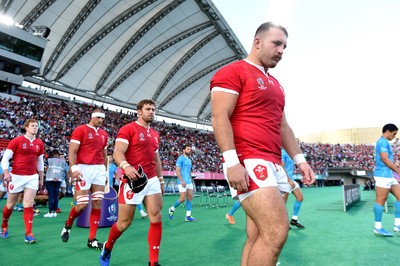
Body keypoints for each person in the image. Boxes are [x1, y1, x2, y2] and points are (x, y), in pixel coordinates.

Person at [210, 22, 315, 265]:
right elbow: (219, 116)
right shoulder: (232, 72)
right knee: (276, 232)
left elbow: (282, 126)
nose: (281, 50)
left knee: (256, 235)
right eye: (276, 43)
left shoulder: (276, 84)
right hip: (249, 159)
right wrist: (232, 162)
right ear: (257, 42)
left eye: (285, 46)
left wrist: (300, 161)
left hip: (274, 162)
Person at [100, 99, 164, 266]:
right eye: (148, 109)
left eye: (153, 109)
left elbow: (156, 159)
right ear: (139, 112)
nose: (151, 112)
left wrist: (161, 179)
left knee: (156, 217)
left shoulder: (155, 134)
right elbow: (118, 152)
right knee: (124, 223)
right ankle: (107, 247)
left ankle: (153, 262)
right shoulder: (128, 129)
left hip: (151, 180)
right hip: (133, 180)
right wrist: (126, 166)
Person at [60, 108, 108, 249]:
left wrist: (105, 173)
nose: (101, 120)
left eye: (102, 118)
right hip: (84, 169)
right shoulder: (81, 130)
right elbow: (72, 151)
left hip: (99, 169)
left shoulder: (104, 134)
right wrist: (74, 168)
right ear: (92, 117)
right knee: (82, 205)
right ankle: (68, 225)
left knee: (97, 202)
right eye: (98, 117)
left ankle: (92, 239)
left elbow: (105, 155)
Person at [0, 119, 45, 243]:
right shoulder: (17, 141)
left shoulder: (39, 143)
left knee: (28, 204)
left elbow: (40, 162)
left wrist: (41, 178)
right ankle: (4, 226)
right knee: (10, 205)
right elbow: (5, 159)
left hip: (32, 177)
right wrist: (6, 173)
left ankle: (28, 233)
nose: (35, 128)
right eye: (32, 126)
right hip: (16, 176)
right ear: (26, 127)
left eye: (37, 126)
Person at [372, 123, 400, 237]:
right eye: (394, 134)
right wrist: (398, 171)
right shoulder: (382, 142)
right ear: (387, 131)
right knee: (380, 200)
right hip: (382, 175)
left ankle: (397, 224)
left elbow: (387, 159)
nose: (394, 136)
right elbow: (384, 159)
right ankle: (377, 227)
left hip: (389, 175)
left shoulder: (384, 142)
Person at [168, 144, 197, 222]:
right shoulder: (180, 159)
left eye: (190, 149)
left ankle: (188, 216)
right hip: (182, 182)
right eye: (188, 149)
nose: (189, 150)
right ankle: (172, 209)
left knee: (190, 197)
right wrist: (182, 181)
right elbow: (177, 170)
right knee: (182, 198)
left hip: (189, 182)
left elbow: (189, 171)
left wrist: (191, 180)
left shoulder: (189, 160)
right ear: (183, 150)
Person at [281, 148, 305, 229]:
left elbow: (290, 167)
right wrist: (288, 180)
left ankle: (294, 220)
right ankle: (282, 223)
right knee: (282, 203)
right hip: (284, 180)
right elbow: (281, 166)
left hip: (291, 179)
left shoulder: (290, 153)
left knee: (300, 197)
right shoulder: (283, 152)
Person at [44, 149, 67, 218]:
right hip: (59, 179)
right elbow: (65, 170)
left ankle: (50, 212)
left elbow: (46, 169)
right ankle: (54, 211)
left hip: (50, 179)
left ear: (53, 154)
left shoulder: (50, 160)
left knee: (51, 196)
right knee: (56, 196)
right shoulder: (63, 161)